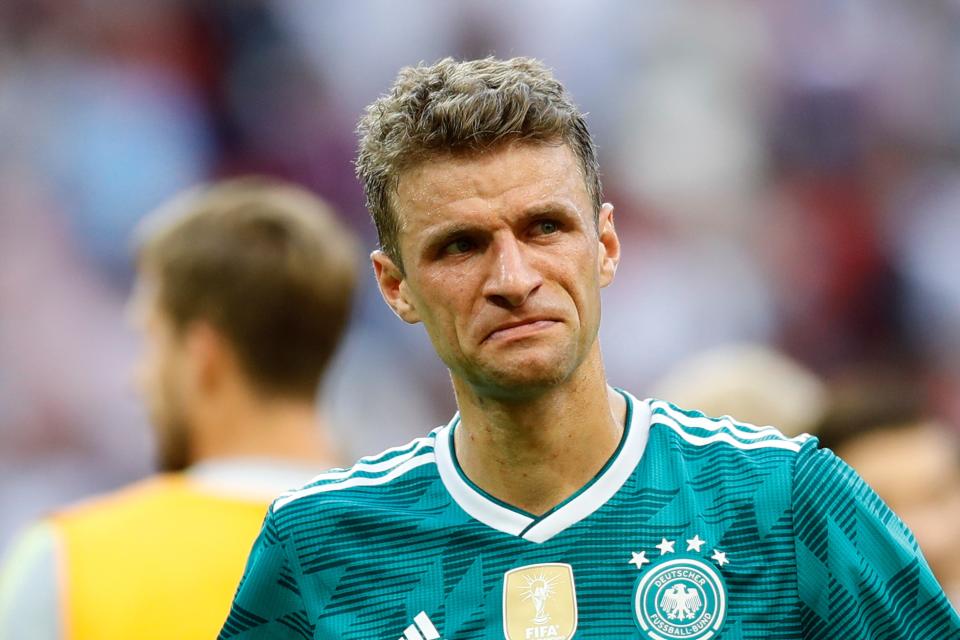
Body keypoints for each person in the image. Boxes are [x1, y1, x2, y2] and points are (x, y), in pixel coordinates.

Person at [218, 58, 959, 639]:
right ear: (395, 286)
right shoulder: (318, 546)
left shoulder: (786, 501)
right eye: (460, 246)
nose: (512, 278)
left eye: (544, 227)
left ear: (604, 244)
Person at [0, 177, 359, 640]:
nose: (138, 379)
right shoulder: (433, 556)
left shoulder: (71, 565)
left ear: (201, 356)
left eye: (152, 339)